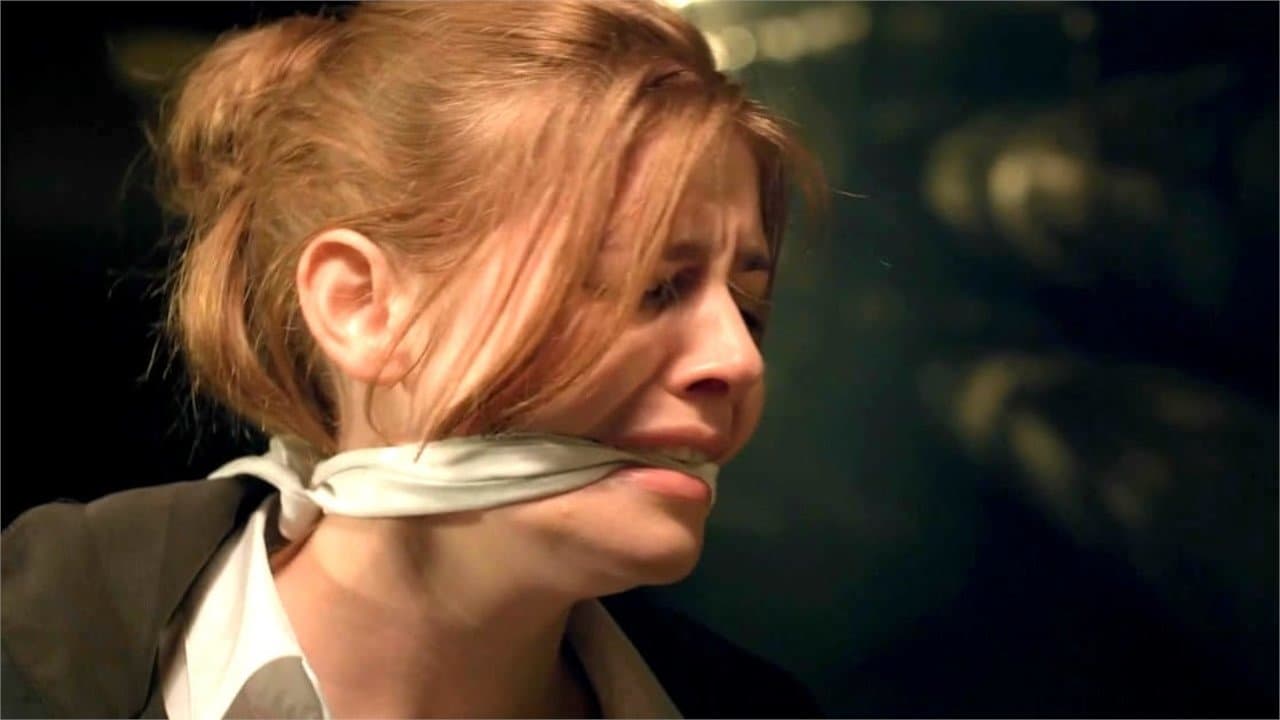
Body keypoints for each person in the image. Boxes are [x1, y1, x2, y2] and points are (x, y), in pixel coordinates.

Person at [1, 1, 826, 717]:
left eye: (747, 306)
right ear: (361, 307)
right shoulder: (33, 650)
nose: (738, 361)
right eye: (652, 286)